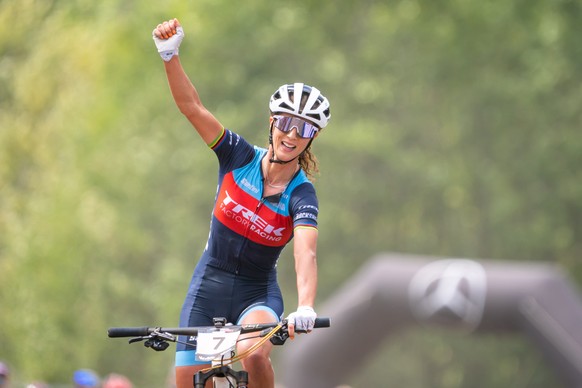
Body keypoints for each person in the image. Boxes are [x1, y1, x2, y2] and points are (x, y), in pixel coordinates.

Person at [152, 18, 331, 388]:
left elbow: (305, 253)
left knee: (254, 353)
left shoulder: (301, 193)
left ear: (312, 139)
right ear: (272, 122)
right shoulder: (238, 155)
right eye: (286, 122)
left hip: (257, 292)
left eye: (306, 129)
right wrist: (170, 56)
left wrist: (306, 305)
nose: (292, 135)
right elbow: (193, 109)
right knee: (183, 379)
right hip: (209, 284)